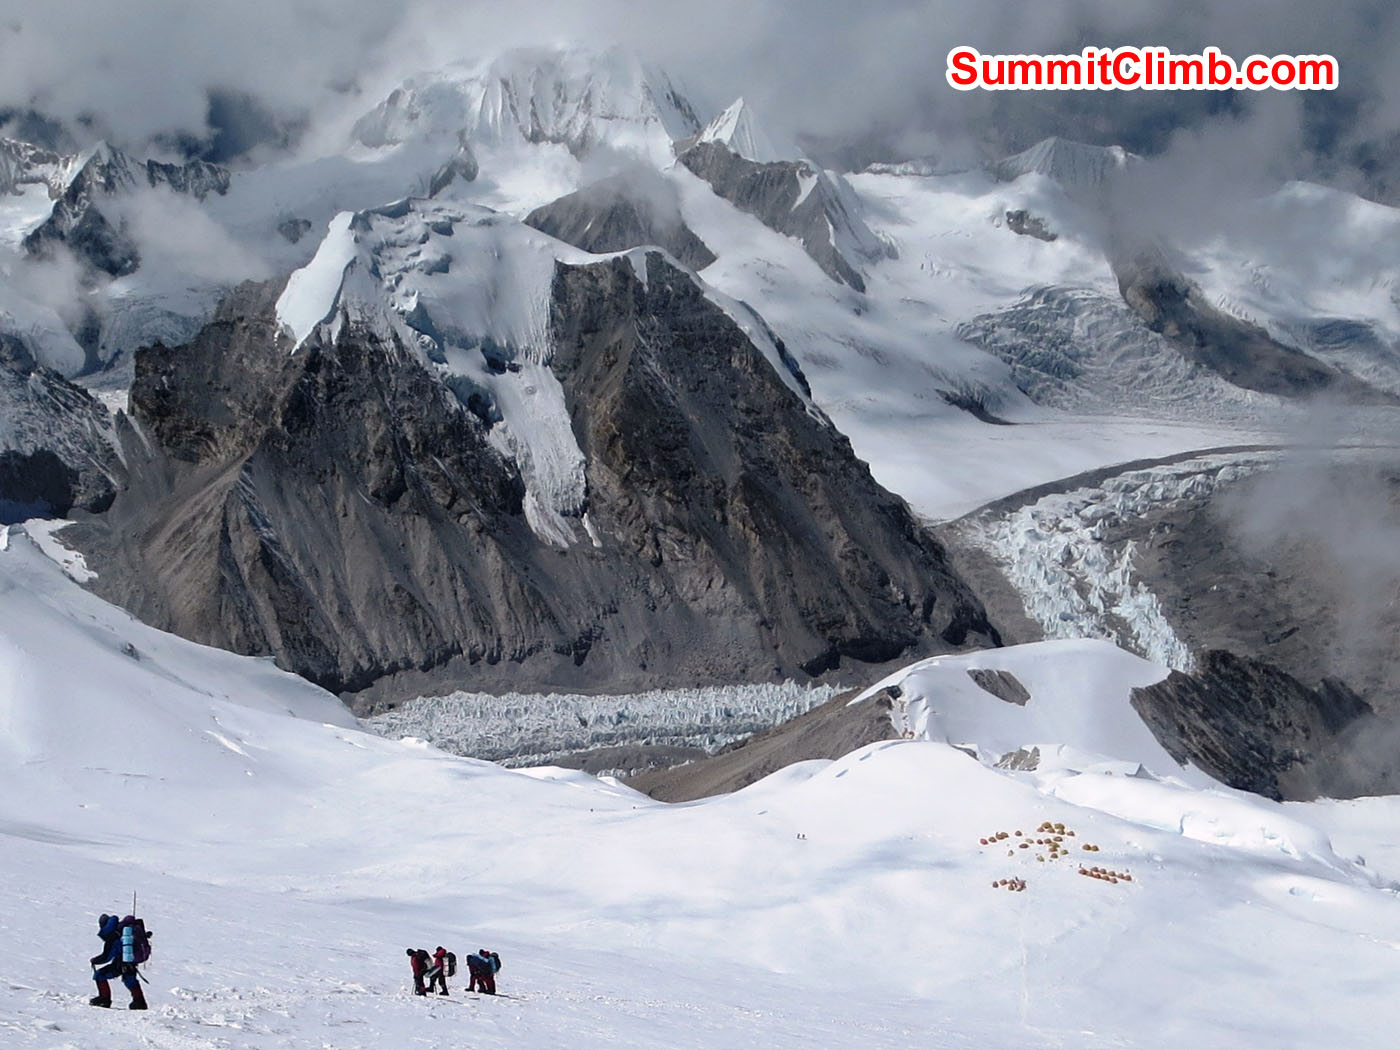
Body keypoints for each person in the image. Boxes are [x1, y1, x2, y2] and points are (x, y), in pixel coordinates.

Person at [89, 913, 146, 1010]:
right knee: (130, 981)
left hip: (120, 964)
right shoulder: (122, 933)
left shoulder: (112, 936)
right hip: (130, 962)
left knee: (99, 975)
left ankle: (104, 999)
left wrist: (95, 960)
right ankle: (140, 1002)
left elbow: (107, 956)